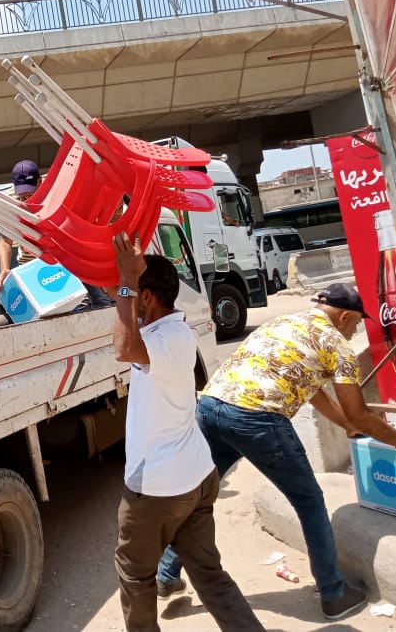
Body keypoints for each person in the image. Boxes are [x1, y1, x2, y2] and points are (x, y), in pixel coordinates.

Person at [156, 283, 396, 622]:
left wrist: (346, 424)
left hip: (212, 406)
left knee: (200, 492)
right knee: (309, 501)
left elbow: (315, 393)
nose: (356, 329)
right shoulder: (337, 346)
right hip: (256, 417)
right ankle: (333, 593)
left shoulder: (284, 324)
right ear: (344, 316)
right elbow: (359, 412)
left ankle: (166, 572)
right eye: (357, 322)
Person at [110, 232, 262, 632]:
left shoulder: (165, 338)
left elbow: (124, 348)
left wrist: (127, 280)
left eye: (133, 293)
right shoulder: (172, 331)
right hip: (194, 478)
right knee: (210, 575)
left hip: (159, 488)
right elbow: (117, 295)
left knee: (135, 576)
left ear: (146, 298)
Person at [0, 159, 114, 309]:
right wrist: (4, 269)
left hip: (66, 261)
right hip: (31, 266)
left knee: (95, 302)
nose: (26, 198)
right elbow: (5, 239)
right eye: (22, 195)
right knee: (43, 310)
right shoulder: (10, 201)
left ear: (40, 182)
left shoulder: (58, 192)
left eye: (30, 192)